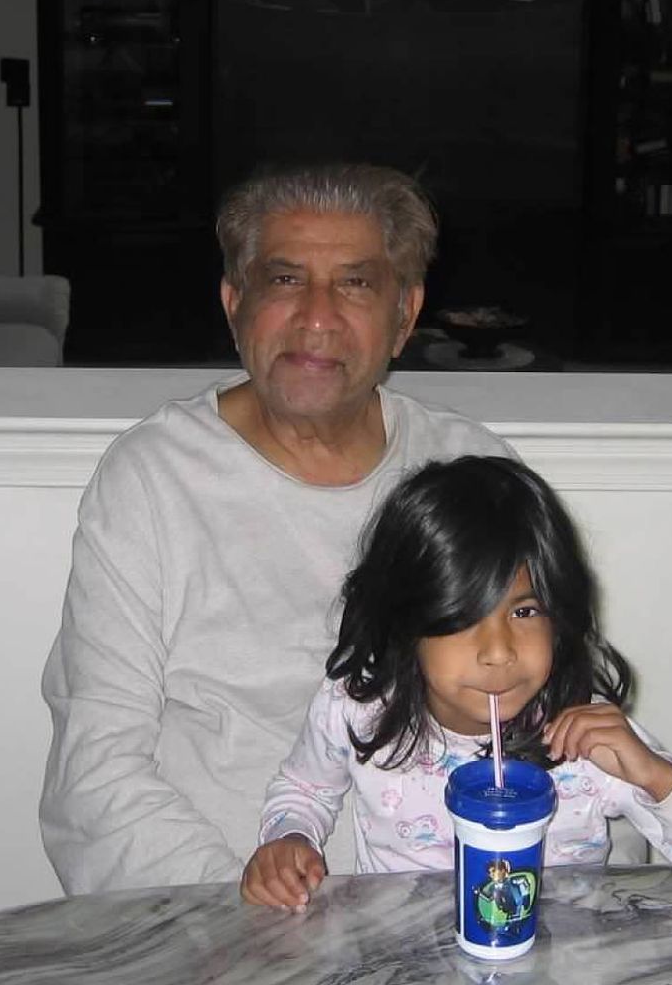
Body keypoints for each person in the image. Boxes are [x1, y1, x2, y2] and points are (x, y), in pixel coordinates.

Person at [40, 164, 511, 893]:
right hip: (213, 909)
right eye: (285, 280)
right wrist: (248, 924)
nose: (317, 317)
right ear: (235, 305)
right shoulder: (153, 478)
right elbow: (94, 778)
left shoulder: (472, 473)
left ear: (404, 316)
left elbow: (555, 718)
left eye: (355, 283)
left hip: (451, 911)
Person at [240, 456, 672, 912]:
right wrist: (289, 837)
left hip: (562, 976)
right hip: (401, 970)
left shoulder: (588, 742)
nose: (498, 652)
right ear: (404, 622)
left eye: (524, 611)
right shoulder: (358, 708)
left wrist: (657, 777)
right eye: (463, 617)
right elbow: (305, 789)